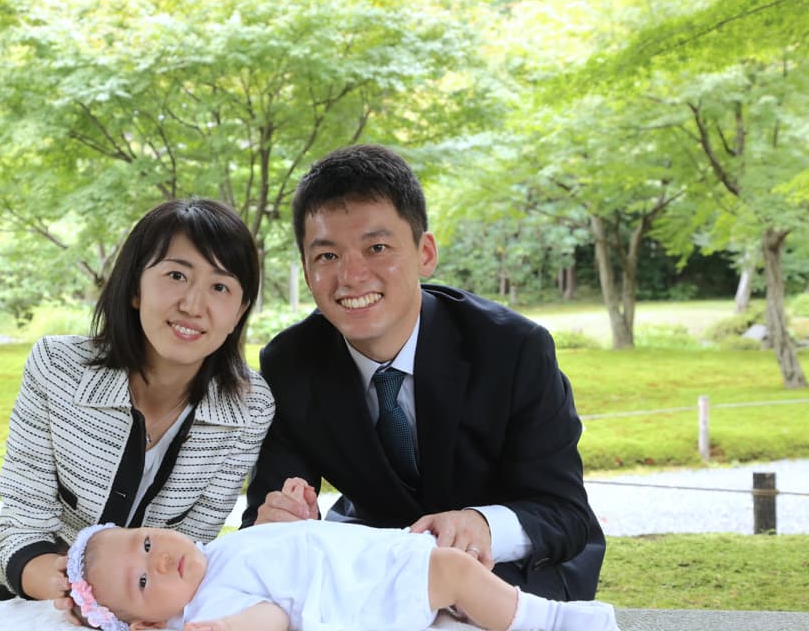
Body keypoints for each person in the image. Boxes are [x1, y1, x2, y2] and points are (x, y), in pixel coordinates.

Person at [241, 144, 605, 601]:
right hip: (382, 571)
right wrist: (279, 519)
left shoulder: (513, 349)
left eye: (377, 248)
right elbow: (267, 516)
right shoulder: (290, 363)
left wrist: (482, 525)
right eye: (327, 256)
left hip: (514, 568)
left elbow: (563, 513)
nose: (351, 277)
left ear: (425, 253)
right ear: (307, 270)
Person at [0, 198, 275, 621]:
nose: (194, 305)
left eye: (220, 287)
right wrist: (73, 591)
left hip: (156, 620)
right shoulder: (57, 367)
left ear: (239, 312)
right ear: (136, 288)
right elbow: (22, 529)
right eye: (177, 275)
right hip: (38, 609)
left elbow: (191, 548)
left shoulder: (249, 405)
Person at [62, 495, 617, 631]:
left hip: (363, 555)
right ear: (143, 624)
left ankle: (482, 603)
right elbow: (272, 616)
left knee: (448, 568)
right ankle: (553, 619)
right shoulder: (207, 606)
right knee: (450, 569)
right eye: (142, 582)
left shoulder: (214, 552)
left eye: (148, 541)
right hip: (357, 588)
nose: (160, 559)